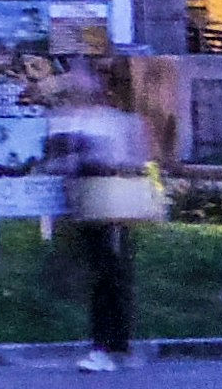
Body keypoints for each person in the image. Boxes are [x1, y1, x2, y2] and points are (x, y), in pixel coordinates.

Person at [46, 62, 156, 370]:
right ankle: (116, 342)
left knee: (106, 274)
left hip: (105, 204)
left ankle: (105, 346)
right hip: (93, 204)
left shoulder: (111, 122)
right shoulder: (93, 120)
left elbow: (130, 160)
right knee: (110, 273)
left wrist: (92, 159)